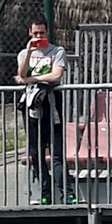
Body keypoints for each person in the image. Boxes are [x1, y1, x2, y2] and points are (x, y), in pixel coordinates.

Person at [16, 18, 72, 205]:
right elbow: (21, 74)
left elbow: (56, 76)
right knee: (35, 152)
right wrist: (30, 51)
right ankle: (45, 191)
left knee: (56, 151)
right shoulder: (25, 52)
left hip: (51, 104)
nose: (39, 36)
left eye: (42, 33)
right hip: (31, 105)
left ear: (47, 32)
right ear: (30, 33)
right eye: (35, 33)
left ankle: (67, 192)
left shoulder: (58, 51)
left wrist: (32, 79)